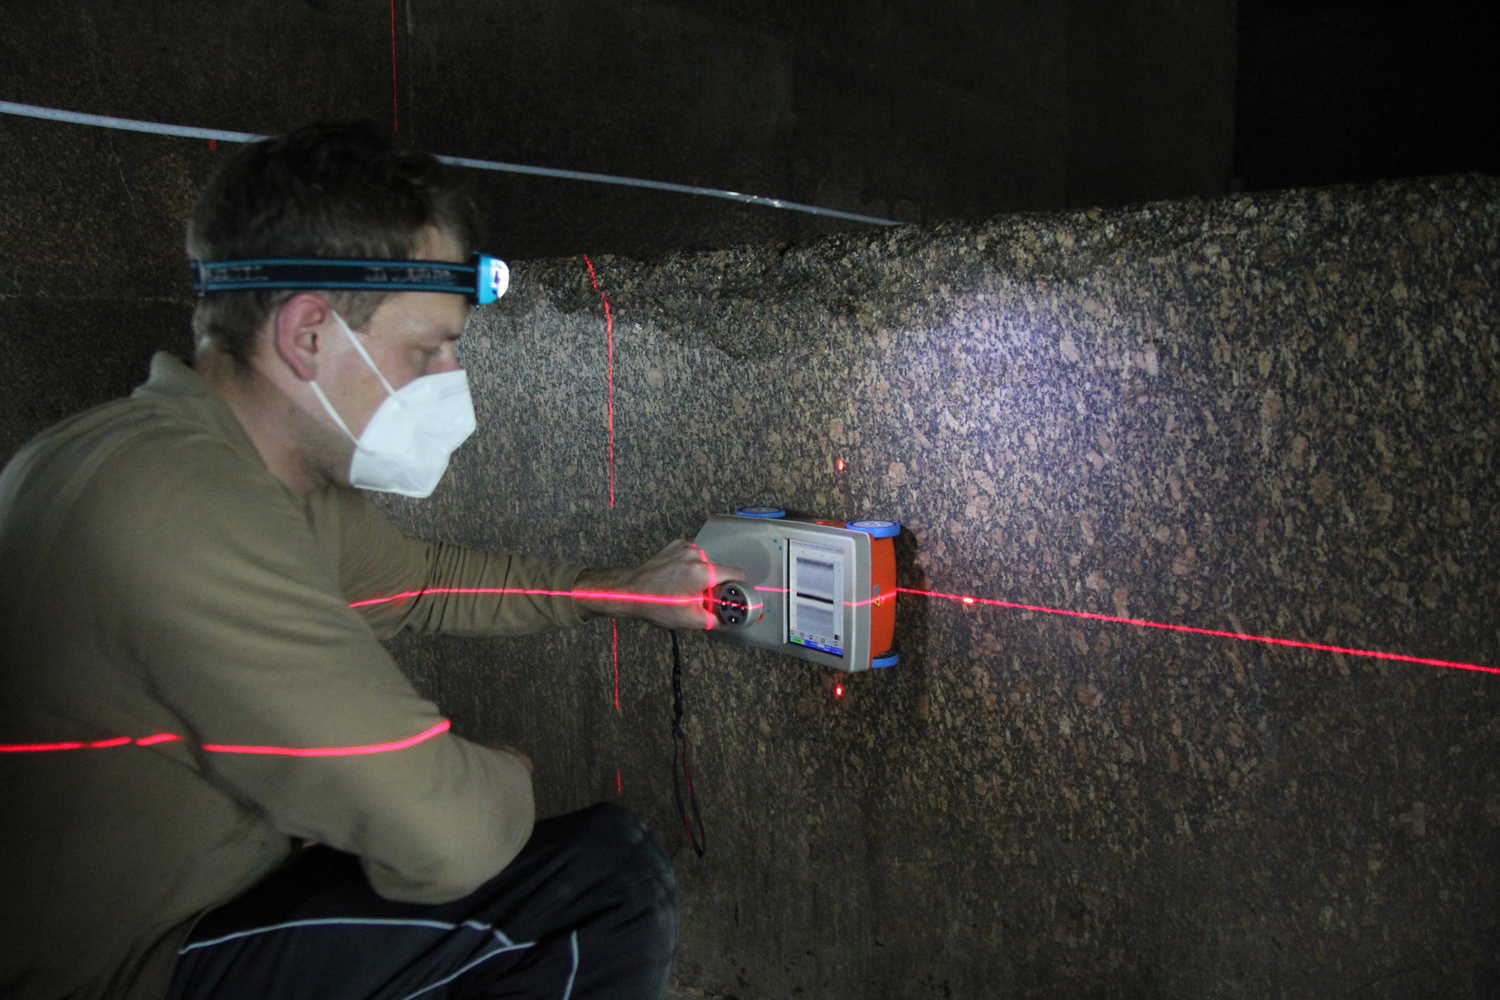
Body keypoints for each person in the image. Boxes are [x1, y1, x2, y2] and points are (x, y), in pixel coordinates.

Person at [0, 120, 740, 1000]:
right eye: (426, 349)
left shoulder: (196, 463)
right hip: (127, 968)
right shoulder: (179, 507)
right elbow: (447, 835)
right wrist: (504, 773)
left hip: (187, 907)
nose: (447, 377)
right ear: (310, 334)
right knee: (602, 885)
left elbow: (422, 585)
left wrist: (607, 593)